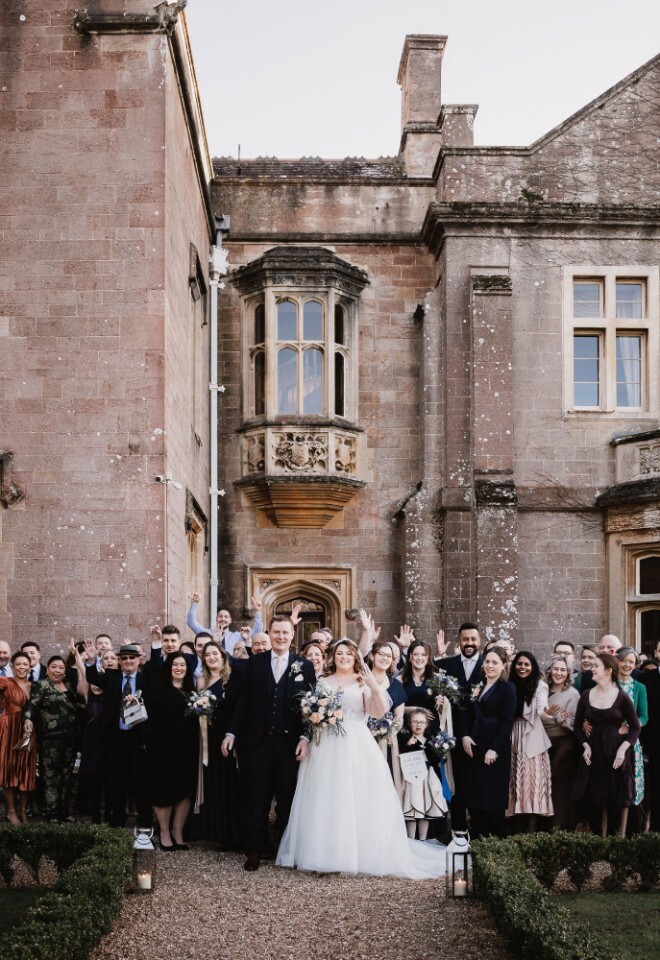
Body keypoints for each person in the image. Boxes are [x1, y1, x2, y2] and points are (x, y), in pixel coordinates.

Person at [277, 639, 447, 877]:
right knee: (325, 797)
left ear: (355, 657)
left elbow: (377, 713)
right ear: (333, 656)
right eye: (340, 653)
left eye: (348, 653)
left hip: (355, 743)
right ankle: (324, 853)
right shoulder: (322, 681)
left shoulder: (362, 681)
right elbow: (309, 717)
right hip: (324, 745)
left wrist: (375, 688)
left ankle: (354, 853)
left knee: (354, 797)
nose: (344, 656)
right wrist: (309, 732)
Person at [221, 615, 316, 871]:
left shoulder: (303, 666)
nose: (281, 637)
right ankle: (255, 849)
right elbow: (243, 702)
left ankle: (284, 850)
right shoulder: (254, 664)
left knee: (286, 798)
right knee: (256, 797)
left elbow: (312, 708)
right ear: (269, 634)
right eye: (276, 632)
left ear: (292, 635)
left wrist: (306, 737)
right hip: (256, 743)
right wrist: (231, 733)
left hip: (288, 744)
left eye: (285, 633)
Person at [83, 639, 152, 829]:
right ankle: (118, 818)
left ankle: (144, 819)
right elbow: (93, 678)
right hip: (115, 737)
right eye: (125, 658)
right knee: (116, 780)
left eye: (132, 657)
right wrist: (90, 661)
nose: (128, 661)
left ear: (139, 660)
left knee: (141, 780)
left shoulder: (147, 679)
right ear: (120, 661)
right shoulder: (112, 676)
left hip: (138, 738)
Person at [573, 653, 641, 837]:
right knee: (594, 800)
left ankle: (613, 845)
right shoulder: (586, 696)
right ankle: (596, 842)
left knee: (614, 803)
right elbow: (577, 726)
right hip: (594, 756)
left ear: (608, 671)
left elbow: (635, 727)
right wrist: (585, 745)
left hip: (616, 757)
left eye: (596, 666)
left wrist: (622, 749)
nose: (592, 669)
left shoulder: (622, 697)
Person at [459, 647, 516, 838]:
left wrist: (494, 749)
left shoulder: (507, 688)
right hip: (474, 744)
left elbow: (507, 721)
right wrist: (465, 735)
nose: (490, 666)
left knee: (492, 794)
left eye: (495, 662)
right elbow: (466, 712)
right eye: (487, 661)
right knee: (475, 793)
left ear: (503, 666)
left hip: (494, 747)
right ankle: (477, 836)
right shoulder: (477, 685)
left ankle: (495, 841)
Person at [144, 653, 199, 850]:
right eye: (175, 664)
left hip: (188, 748)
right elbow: (149, 719)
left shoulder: (192, 690)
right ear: (169, 667)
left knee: (185, 790)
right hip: (163, 749)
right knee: (164, 790)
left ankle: (178, 831)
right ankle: (165, 832)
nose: (179, 668)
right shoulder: (158, 689)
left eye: (182, 665)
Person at [434, 622, 484, 832]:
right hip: (453, 733)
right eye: (466, 639)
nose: (469, 643)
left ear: (480, 641)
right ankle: (458, 830)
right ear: (459, 641)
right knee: (457, 783)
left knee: (479, 782)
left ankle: (481, 831)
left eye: (473, 639)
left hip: (481, 734)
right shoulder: (446, 665)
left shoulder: (487, 665)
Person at [195, 641, 242, 850]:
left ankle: (233, 835)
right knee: (213, 783)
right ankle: (217, 833)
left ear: (223, 656)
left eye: (215, 653)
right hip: (209, 738)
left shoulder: (231, 678)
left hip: (228, 737)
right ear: (203, 659)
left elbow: (238, 708)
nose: (212, 657)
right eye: (208, 655)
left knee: (230, 784)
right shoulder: (201, 680)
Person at [23, 655, 81, 821]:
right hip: (51, 740)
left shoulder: (69, 685)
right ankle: (52, 814)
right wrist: (27, 718)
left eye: (61, 668)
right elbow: (31, 706)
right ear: (47, 669)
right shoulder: (41, 685)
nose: (57, 670)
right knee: (51, 777)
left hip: (70, 739)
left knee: (66, 776)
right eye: (54, 667)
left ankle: (64, 812)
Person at [506, 651, 554, 832]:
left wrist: (549, 714)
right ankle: (514, 831)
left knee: (530, 783)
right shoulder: (508, 684)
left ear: (532, 666)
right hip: (512, 735)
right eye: (519, 664)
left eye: (527, 664)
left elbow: (541, 710)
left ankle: (531, 834)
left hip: (531, 734)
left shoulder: (540, 685)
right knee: (512, 781)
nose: (523, 667)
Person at [540, 656, 580, 830]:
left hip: (563, 743)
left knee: (558, 782)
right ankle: (542, 823)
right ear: (550, 671)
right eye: (556, 669)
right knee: (542, 783)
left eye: (563, 670)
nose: (559, 673)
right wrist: (550, 718)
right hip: (542, 742)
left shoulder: (572, 694)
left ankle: (559, 824)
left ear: (568, 673)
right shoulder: (542, 690)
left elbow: (574, 723)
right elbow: (537, 716)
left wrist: (558, 720)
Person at [397, 707, 447, 839]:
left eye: (421, 722)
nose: (418, 725)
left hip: (428, 778)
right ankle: (411, 839)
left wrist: (439, 750)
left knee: (426, 807)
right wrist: (407, 744)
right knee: (413, 806)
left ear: (426, 724)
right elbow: (399, 757)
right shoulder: (404, 739)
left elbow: (437, 760)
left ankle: (423, 840)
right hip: (411, 779)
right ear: (409, 723)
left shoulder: (431, 741)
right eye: (415, 722)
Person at [0, 652, 36, 823]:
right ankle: (11, 811)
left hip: (27, 732)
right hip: (10, 729)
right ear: (12, 666)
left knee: (26, 769)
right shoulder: (6, 682)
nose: (22, 667)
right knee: (10, 767)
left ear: (30, 666)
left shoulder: (34, 686)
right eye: (18, 664)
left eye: (25, 664)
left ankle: (23, 810)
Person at [616, 646, 648, 812]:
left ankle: (626, 831)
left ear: (635, 665)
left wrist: (631, 726)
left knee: (629, 785)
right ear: (617, 661)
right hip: (610, 738)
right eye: (623, 661)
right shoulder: (609, 684)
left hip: (630, 740)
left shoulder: (639, 688)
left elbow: (644, 716)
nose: (627, 665)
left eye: (631, 662)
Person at [187, 592, 264, 656]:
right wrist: (195, 603)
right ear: (216, 619)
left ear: (230, 620)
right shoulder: (207, 634)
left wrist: (258, 612)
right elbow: (192, 622)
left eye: (226, 617)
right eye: (220, 616)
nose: (223, 619)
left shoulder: (237, 636)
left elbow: (257, 632)